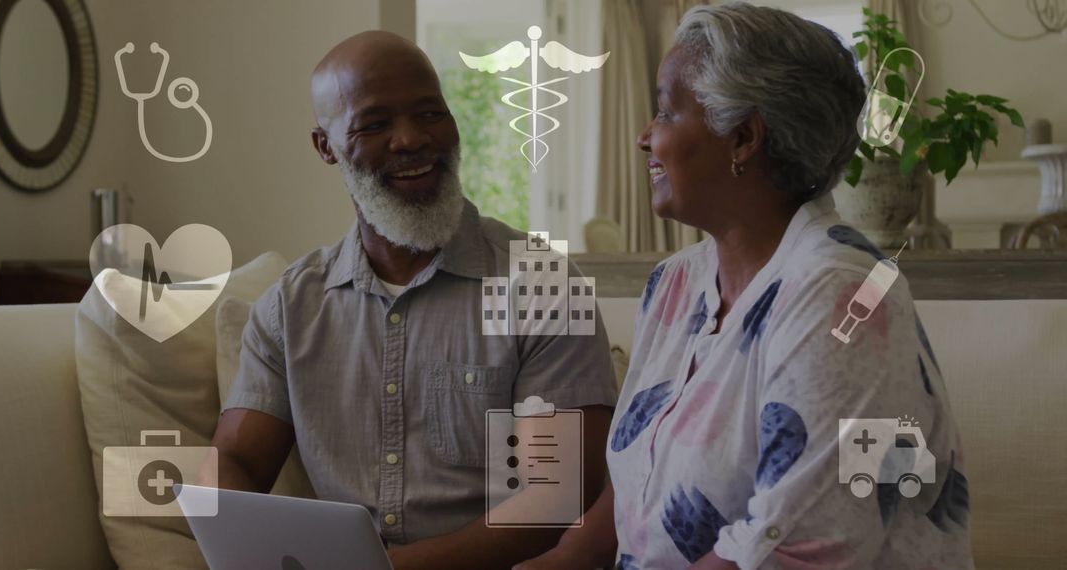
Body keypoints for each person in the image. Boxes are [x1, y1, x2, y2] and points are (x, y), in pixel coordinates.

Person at [517, 3, 973, 569]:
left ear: (743, 139)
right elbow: (639, 476)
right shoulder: (675, 283)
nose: (643, 137)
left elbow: (796, 549)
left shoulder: (842, 298)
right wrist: (557, 559)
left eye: (665, 112)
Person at [202, 31, 617, 569]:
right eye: (374, 124)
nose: (411, 140)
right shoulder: (290, 307)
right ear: (325, 147)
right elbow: (233, 458)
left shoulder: (543, 284)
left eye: (430, 114)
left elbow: (556, 498)